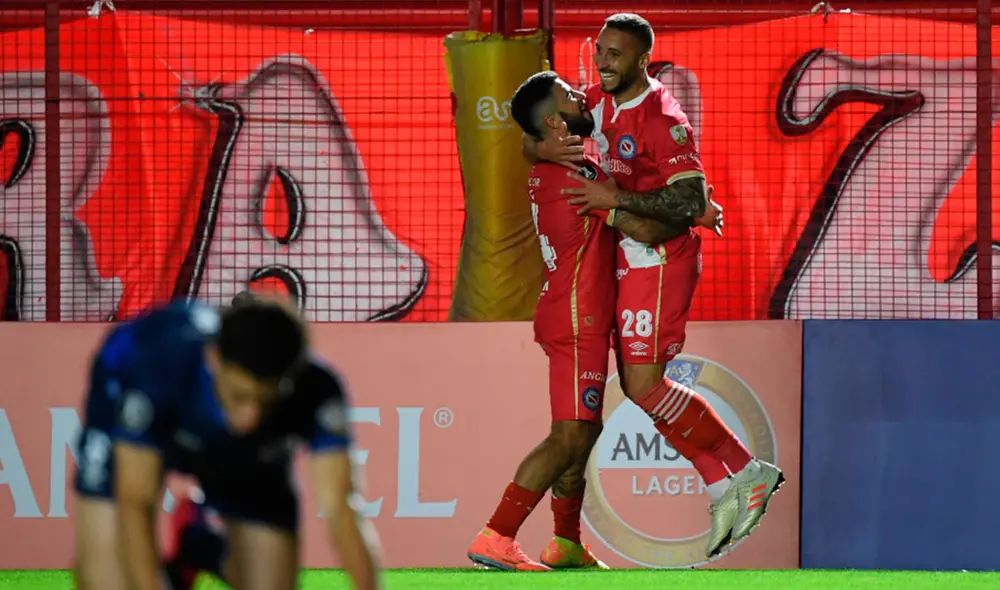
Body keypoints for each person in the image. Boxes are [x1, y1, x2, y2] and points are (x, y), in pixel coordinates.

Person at [523, 13, 784, 558]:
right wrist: (540, 149)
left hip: (661, 258)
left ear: (642, 60)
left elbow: (689, 201)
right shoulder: (597, 99)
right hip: (630, 254)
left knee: (644, 386)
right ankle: (724, 485)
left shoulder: (663, 118)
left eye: (615, 54)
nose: (602, 63)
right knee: (640, 386)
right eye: (600, 50)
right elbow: (535, 126)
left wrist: (615, 201)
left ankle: (745, 471)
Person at [467, 71, 692, 572]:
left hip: (575, 314)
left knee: (584, 431)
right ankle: (497, 535)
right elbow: (641, 226)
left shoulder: (564, 162)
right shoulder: (576, 177)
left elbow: (530, 140)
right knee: (569, 435)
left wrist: (538, 145)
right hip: (576, 319)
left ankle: (566, 541)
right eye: (570, 96)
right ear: (554, 121)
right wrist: (691, 212)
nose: (580, 96)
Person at [72, 297, 381, 590]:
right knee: (107, 581)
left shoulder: (317, 387)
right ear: (213, 359)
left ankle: (201, 544)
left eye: (265, 402)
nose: (250, 419)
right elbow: (136, 502)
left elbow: (342, 508)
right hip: (126, 412)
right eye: (240, 397)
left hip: (235, 452)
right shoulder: (156, 366)